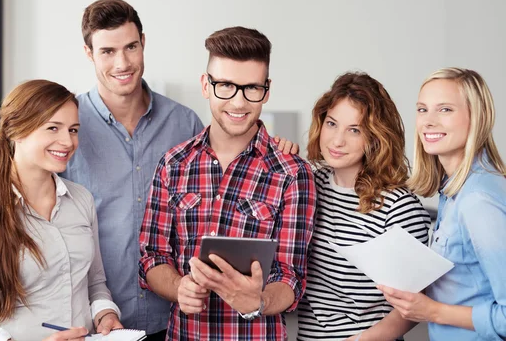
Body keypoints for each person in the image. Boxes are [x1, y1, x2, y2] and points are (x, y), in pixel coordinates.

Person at [62, 0, 297, 340]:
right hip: (94, 319)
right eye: (107, 51)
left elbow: (230, 144)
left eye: (130, 47)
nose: (122, 62)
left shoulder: (183, 122)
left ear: (144, 42)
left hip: (168, 321)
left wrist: (276, 151)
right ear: (88, 53)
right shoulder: (67, 126)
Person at [138, 26, 316, 340]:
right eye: (226, 86)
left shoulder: (292, 173)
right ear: (206, 85)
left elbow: (291, 276)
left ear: (267, 90)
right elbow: (153, 257)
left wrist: (258, 301)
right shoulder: (173, 165)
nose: (238, 102)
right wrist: (179, 288)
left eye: (251, 88)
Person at [0, 80, 123, 341]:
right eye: (53, 128)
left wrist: (105, 315)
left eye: (73, 130)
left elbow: (95, 284)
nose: (68, 141)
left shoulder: (82, 200)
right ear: (16, 132)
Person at [297, 72, 431, 341]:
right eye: (332, 124)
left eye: (354, 130)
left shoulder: (399, 206)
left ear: (375, 138)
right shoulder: (308, 185)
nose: (337, 141)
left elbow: (415, 303)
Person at [379, 68, 506, 341]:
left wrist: (432, 311)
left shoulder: (477, 200)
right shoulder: (454, 189)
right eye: (422, 110)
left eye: (445, 109)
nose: (428, 122)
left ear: (477, 117)